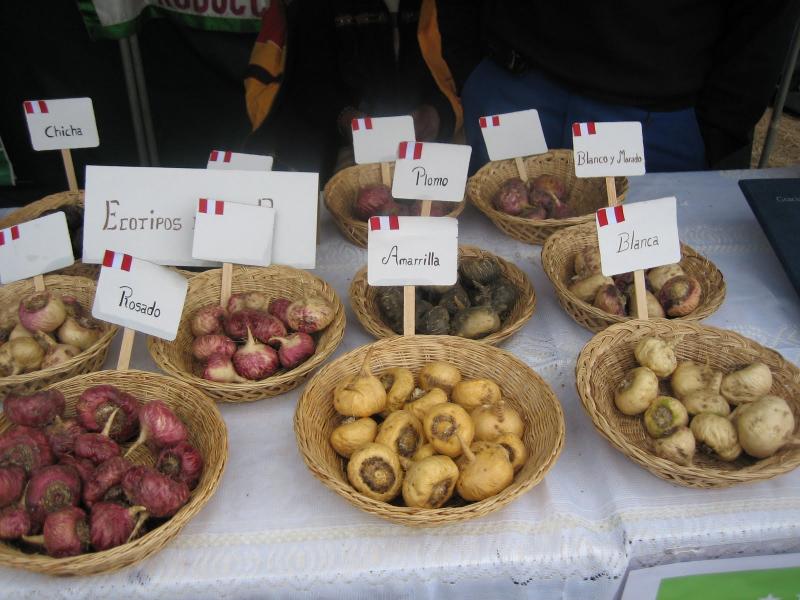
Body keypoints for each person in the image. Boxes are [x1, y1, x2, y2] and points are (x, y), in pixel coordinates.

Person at [460, 2, 800, 174]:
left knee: (634, 288)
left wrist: (717, 131)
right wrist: (467, 69)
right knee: (497, 266)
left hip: (655, 121)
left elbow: (765, 19)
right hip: (512, 87)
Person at [244, 0, 474, 181]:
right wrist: (345, 118)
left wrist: (439, 114)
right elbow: (308, 80)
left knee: (445, 219)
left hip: (435, 143)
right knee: (362, 214)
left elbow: (466, 67)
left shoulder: (445, 6)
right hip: (349, 148)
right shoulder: (316, 6)